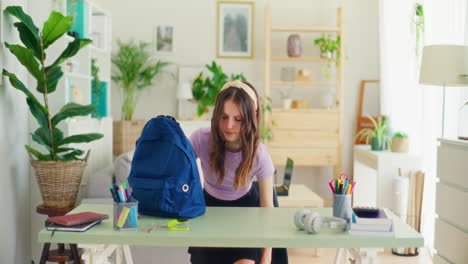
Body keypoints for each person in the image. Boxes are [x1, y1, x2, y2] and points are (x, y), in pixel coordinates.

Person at [188, 80, 275, 264]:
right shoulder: (200, 139)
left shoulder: (260, 154)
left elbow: (268, 210)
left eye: (238, 119)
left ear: (250, 119)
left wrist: (266, 256)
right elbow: (177, 173)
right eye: (224, 117)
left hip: (246, 215)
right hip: (208, 212)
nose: (229, 126)